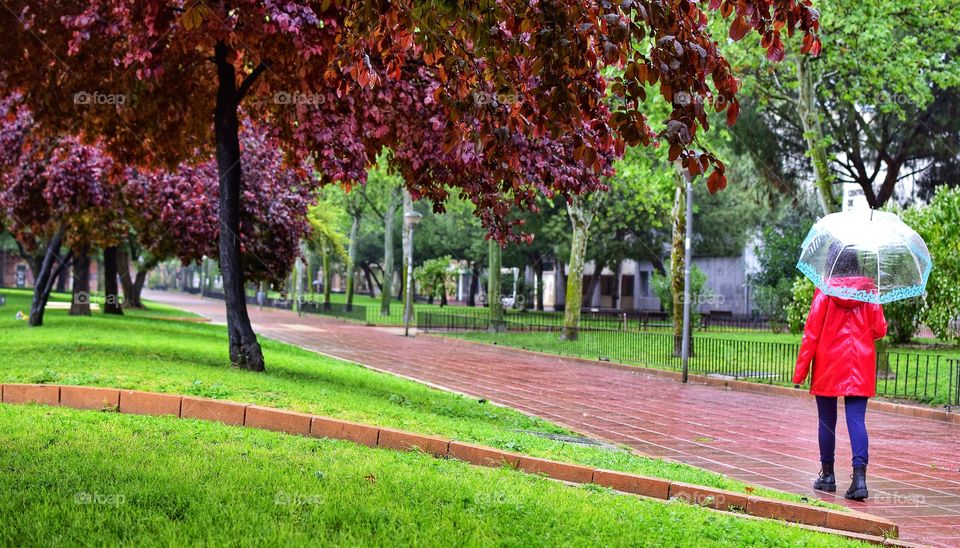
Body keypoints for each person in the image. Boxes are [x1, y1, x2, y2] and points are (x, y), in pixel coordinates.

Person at [793, 245, 887, 501]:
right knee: (857, 420)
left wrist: (800, 372)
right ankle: (859, 480)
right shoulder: (870, 291)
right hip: (860, 365)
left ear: (832, 262)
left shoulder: (825, 289)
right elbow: (880, 329)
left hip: (828, 366)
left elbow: (811, 333)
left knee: (827, 421)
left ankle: (828, 476)